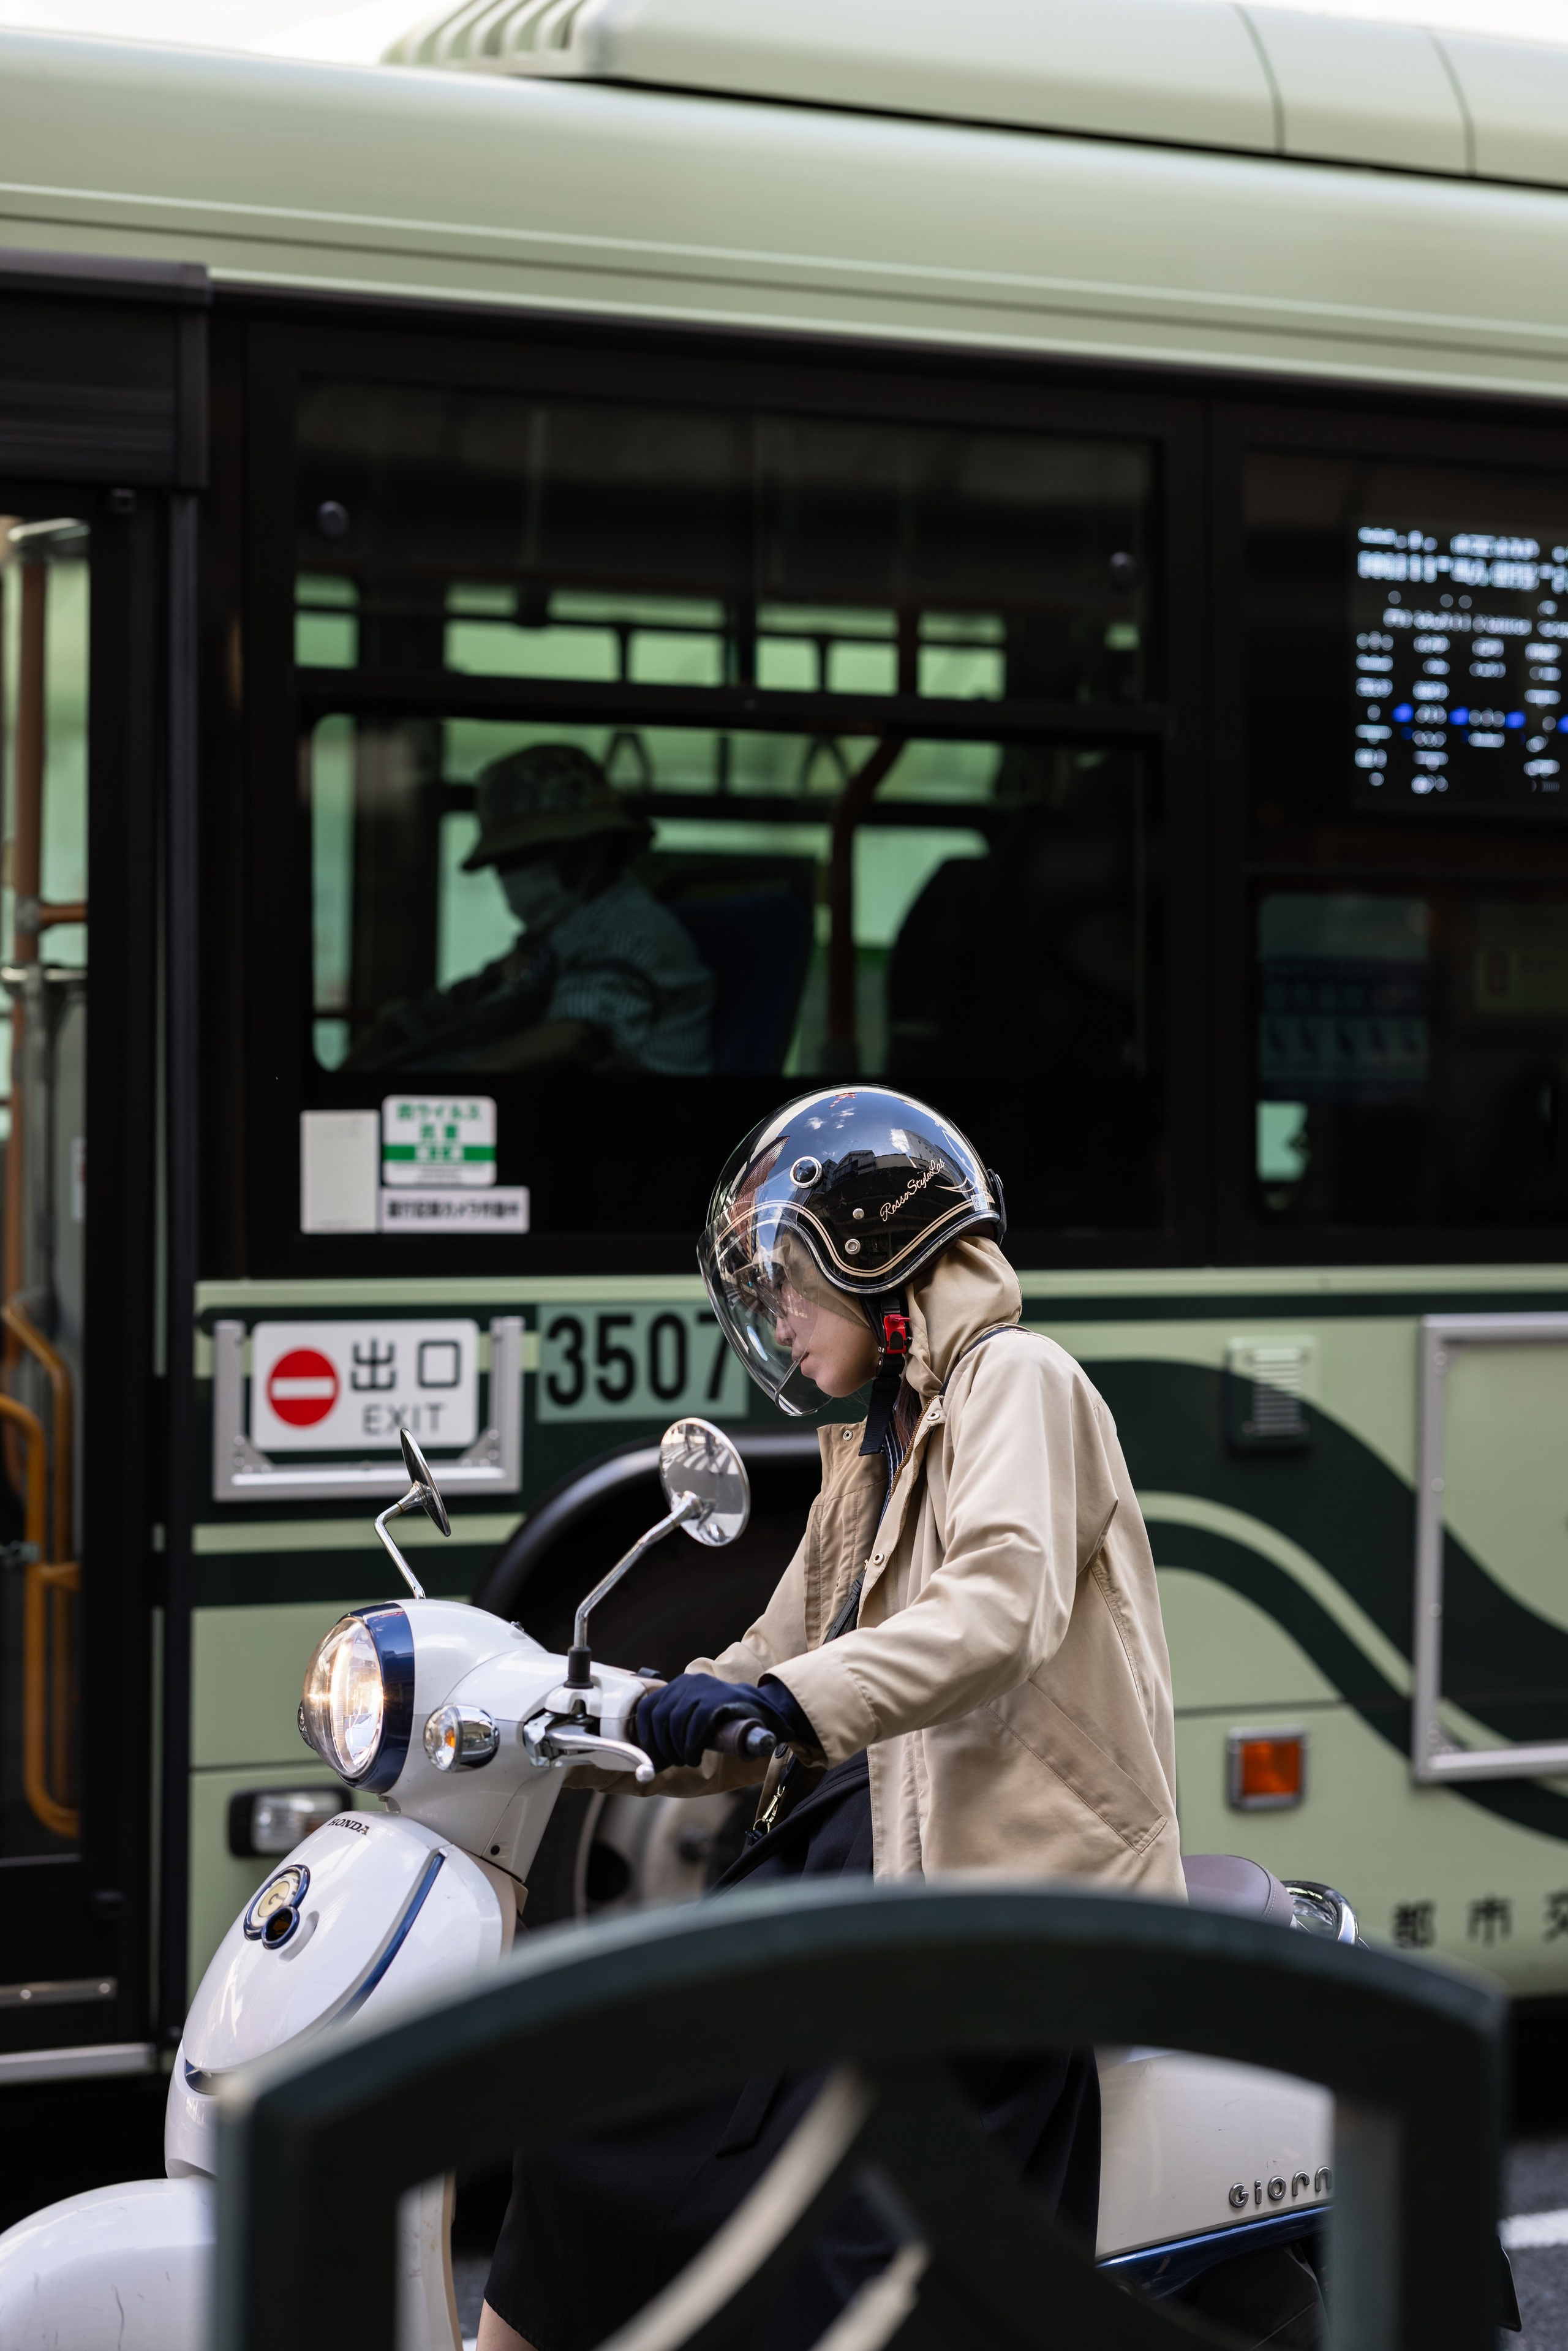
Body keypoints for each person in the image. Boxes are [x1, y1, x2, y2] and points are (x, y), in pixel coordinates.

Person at [477, 1087, 1194, 2351]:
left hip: (996, 1904)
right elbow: (770, 1648)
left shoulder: (1017, 1381)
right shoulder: (864, 1447)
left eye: (792, 1286)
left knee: (839, 2270)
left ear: (874, 1261)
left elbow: (998, 1606)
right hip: (858, 1899)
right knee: (582, 2145)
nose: (778, 1320)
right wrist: (580, 1716)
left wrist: (778, 1706)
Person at [344, 744, 715, 1074]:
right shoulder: (552, 939)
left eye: (526, 857)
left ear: (589, 850)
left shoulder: (629, 930)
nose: (512, 878)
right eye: (504, 864)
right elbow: (457, 1007)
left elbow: (574, 1038)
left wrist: (450, 1100)